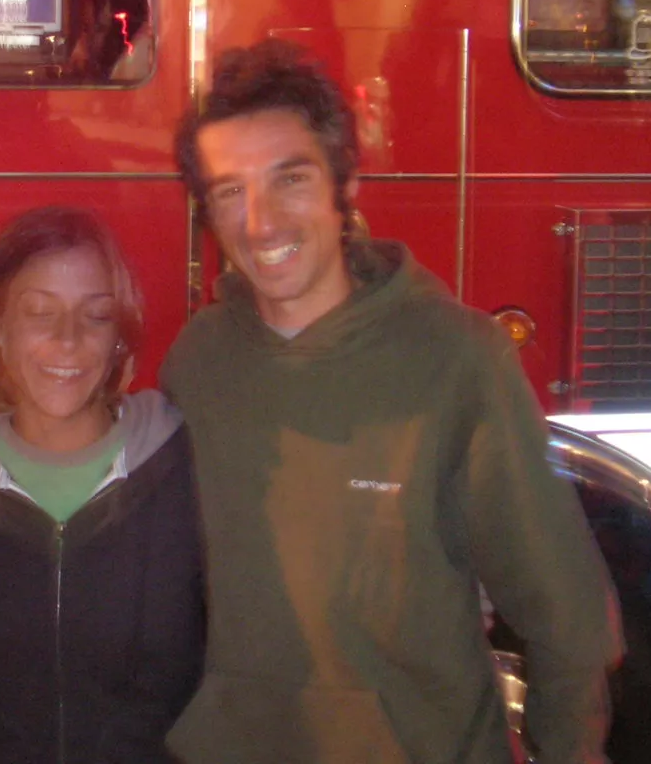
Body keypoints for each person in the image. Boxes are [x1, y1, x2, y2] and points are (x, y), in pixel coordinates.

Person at [162, 40, 621, 764]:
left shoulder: (458, 360)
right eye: (229, 192)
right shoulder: (199, 361)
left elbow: (566, 614)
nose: (261, 222)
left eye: (290, 179)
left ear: (346, 185)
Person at [0, 206, 204, 763]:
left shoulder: (182, 464)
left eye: (95, 316)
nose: (68, 340)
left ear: (119, 334)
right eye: (39, 313)